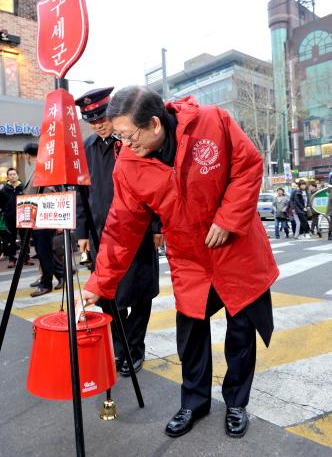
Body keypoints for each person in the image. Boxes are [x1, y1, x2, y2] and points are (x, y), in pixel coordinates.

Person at [79, 86, 278, 439]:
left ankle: (236, 402)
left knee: (242, 331)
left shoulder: (212, 122)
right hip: (190, 258)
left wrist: (228, 218)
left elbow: (248, 165)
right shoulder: (129, 164)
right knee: (190, 336)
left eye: (128, 136)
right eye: (120, 137)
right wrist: (98, 283)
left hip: (236, 249)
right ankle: (195, 402)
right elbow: (121, 227)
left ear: (154, 124)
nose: (123, 144)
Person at [75, 87, 161, 376]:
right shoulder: (86, 149)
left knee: (139, 294)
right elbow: (81, 195)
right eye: (92, 120)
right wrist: (82, 232)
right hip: (103, 237)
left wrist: (157, 226)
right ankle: (122, 347)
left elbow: (155, 183)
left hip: (138, 233)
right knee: (109, 296)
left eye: (101, 117)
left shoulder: (132, 142)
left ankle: (135, 349)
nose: (98, 124)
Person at [23, 143, 64, 296]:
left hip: (42, 220)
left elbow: (50, 195)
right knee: (45, 252)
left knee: (44, 253)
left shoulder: (41, 170)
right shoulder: (37, 170)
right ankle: (60, 275)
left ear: (27, 155)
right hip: (36, 220)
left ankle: (46, 283)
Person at [0, 168, 34, 268]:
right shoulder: (4, 190)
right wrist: (5, 213)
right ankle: (12, 259)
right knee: (11, 239)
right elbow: (1, 204)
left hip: (24, 217)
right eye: (10, 174)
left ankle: (25, 258)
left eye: (14, 174)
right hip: (10, 218)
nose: (12, 176)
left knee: (25, 238)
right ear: (7, 177)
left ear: (17, 175)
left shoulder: (23, 187)